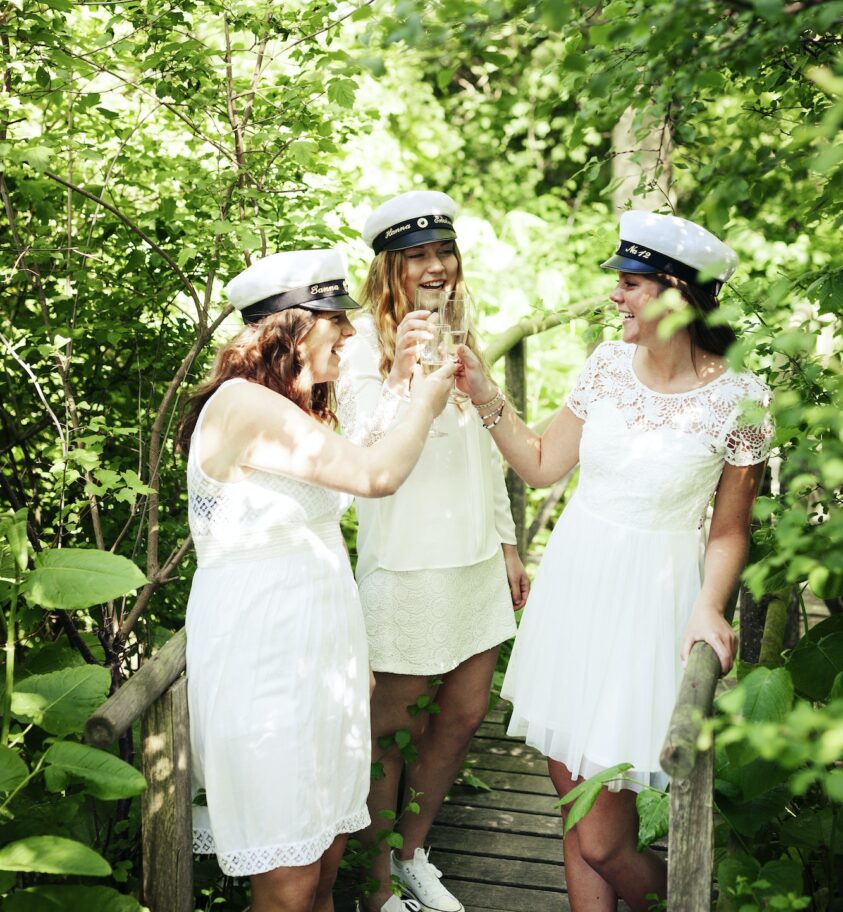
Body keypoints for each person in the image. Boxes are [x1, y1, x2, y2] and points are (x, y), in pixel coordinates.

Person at [456, 211, 774, 912]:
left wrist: (708, 605)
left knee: (604, 840)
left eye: (629, 283)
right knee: (576, 812)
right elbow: (541, 465)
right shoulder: (603, 366)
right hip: (572, 596)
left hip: (648, 607)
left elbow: (728, 529)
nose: (615, 297)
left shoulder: (739, 400)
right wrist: (483, 394)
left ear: (676, 294)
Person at [177, 248, 454, 912]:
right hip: (262, 662)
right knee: (290, 881)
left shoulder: (287, 412)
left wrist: (403, 387)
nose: (350, 333)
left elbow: (350, 460)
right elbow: (373, 476)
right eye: (335, 319)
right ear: (290, 327)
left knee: (326, 864)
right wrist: (429, 401)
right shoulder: (243, 403)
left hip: (319, 662)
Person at [336, 191, 530, 912]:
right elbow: (357, 453)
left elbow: (482, 449)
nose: (436, 267)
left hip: (475, 556)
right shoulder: (356, 340)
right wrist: (398, 377)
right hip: (405, 562)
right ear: (389, 267)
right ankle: (378, 883)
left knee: (464, 713)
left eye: (442, 252)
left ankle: (414, 852)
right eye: (416, 256)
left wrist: (507, 544)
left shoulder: (461, 330)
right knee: (394, 727)